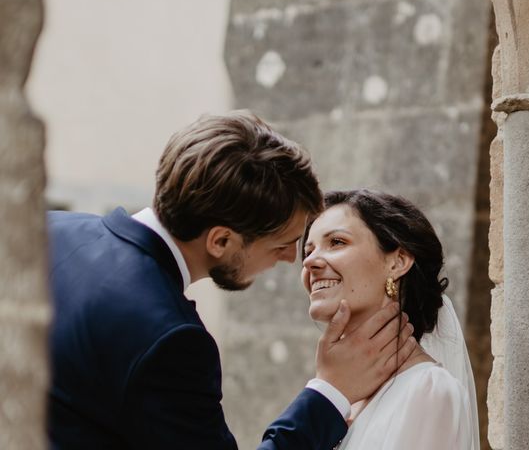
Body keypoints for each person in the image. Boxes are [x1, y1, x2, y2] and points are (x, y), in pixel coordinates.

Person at [46, 112, 417, 450]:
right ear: (221, 241)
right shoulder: (169, 339)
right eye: (284, 244)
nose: (293, 258)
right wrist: (330, 390)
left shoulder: (45, 230)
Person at [301, 189, 480, 449]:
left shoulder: (427, 390)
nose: (310, 262)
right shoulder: (341, 398)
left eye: (337, 242)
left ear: (397, 262)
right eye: (308, 250)